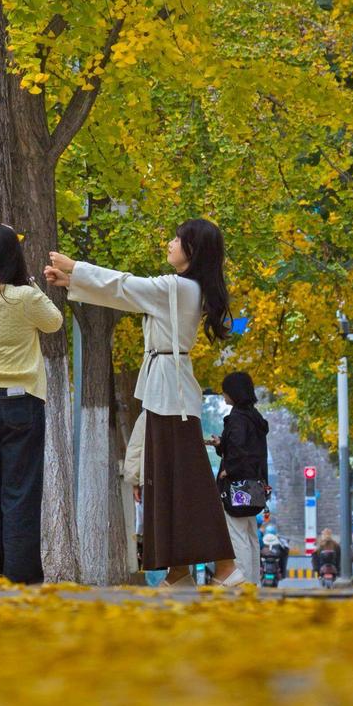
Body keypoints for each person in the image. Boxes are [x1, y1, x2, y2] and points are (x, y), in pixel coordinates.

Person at [45, 218, 242, 587]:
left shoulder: (179, 288)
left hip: (173, 396)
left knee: (188, 482)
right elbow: (125, 293)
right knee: (167, 481)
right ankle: (179, 570)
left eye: (177, 239)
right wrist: (73, 281)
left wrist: (76, 269)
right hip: (165, 390)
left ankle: (227, 567)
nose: (169, 243)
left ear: (192, 250)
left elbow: (125, 286)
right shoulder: (179, 289)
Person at [0, 224, 63, 584]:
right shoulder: (26, 297)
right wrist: (29, 278)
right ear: (14, 259)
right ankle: (20, 575)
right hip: (22, 401)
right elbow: (54, 322)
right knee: (20, 491)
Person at [208, 371, 268, 585]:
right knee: (251, 533)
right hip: (253, 484)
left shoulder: (237, 419)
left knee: (237, 533)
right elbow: (253, 451)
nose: (223, 395)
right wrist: (221, 444)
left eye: (225, 390)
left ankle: (243, 581)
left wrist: (228, 470)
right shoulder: (254, 416)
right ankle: (253, 582)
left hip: (237, 485)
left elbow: (240, 450)